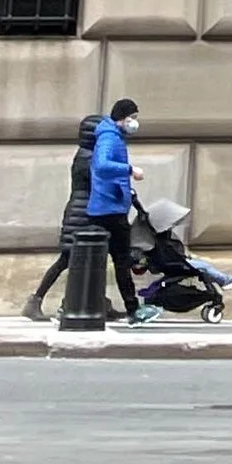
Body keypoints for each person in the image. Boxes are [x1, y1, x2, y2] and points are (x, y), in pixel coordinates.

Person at [21, 99, 152, 325]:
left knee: (90, 259)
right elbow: (100, 179)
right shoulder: (89, 157)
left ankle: (97, 301)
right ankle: (40, 300)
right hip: (83, 214)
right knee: (71, 259)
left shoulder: (86, 153)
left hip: (83, 210)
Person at [86, 97, 155, 326]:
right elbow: (101, 165)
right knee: (121, 262)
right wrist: (129, 169)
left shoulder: (112, 136)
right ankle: (133, 311)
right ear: (122, 118)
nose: (135, 123)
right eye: (132, 118)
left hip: (109, 206)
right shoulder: (109, 138)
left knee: (96, 261)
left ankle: (80, 303)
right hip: (110, 210)